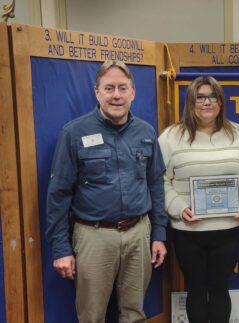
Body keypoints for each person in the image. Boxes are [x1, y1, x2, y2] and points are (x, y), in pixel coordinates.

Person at [46, 60, 168, 323]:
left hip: (139, 235)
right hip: (93, 236)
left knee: (135, 314)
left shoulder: (146, 133)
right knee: (91, 316)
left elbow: (156, 184)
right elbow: (59, 194)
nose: (116, 95)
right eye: (109, 88)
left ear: (133, 93)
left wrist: (158, 234)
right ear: (97, 91)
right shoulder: (74, 133)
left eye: (123, 88)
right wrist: (61, 249)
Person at [158, 76, 239, 323]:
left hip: (228, 230)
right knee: (195, 289)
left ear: (221, 101)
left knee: (219, 289)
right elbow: (159, 180)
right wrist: (179, 208)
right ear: (190, 102)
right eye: (200, 97)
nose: (207, 102)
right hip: (188, 230)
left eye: (213, 96)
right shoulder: (170, 137)